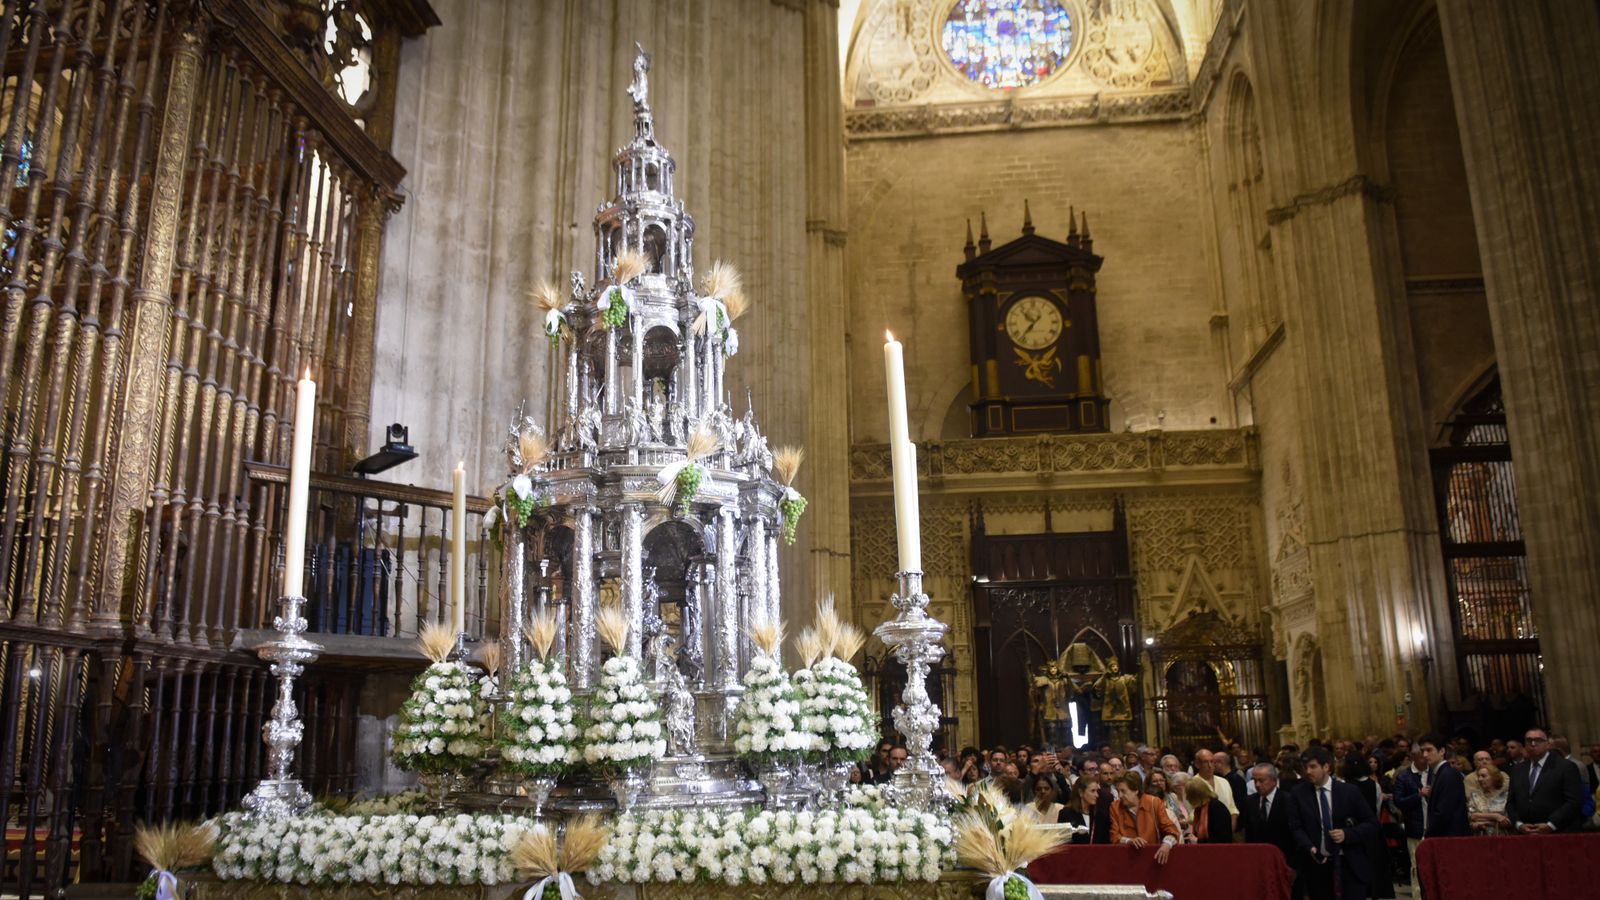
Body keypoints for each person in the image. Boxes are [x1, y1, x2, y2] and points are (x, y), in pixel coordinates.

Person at [1288, 746, 1378, 900]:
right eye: (1305, 767)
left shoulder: (1349, 791)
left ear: (1326, 767)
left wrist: (1347, 834)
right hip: (1318, 864)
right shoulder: (1298, 793)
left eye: (1313, 766)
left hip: (1349, 862)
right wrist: (1309, 847)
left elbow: (1371, 823)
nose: (1308, 771)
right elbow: (1296, 827)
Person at [1505, 727, 1587, 833]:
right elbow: (1511, 803)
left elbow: (1574, 801)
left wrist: (1551, 824)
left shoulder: (1565, 767)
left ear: (1547, 744)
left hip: (1559, 832)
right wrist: (1518, 824)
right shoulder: (1518, 769)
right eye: (1529, 740)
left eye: (1538, 740)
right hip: (1525, 833)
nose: (1533, 744)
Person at [1243, 762, 1304, 893]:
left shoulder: (1289, 801)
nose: (1257, 785)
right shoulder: (1249, 802)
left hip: (1285, 863)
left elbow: (1296, 836)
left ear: (1274, 781)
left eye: (1261, 780)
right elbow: (1249, 834)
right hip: (1260, 865)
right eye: (1255, 780)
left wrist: (1294, 867)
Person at [1110, 772, 1180, 864]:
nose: (1120, 795)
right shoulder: (1115, 806)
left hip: (1154, 858)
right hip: (1127, 860)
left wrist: (1166, 844)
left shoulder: (1154, 802)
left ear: (1136, 790)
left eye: (1123, 791)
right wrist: (1129, 841)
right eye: (1118, 791)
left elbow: (1171, 830)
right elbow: (1114, 836)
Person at [1417, 732, 1471, 837]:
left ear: (1442, 751)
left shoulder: (1448, 774)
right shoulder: (1441, 773)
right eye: (1422, 751)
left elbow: (1444, 812)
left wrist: (1428, 834)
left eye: (1429, 750)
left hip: (1450, 838)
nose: (1424, 755)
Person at [1193, 748, 1240, 830]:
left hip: (1227, 831)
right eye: (1205, 762)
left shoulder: (1224, 782)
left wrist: (1231, 829)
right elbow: (1191, 813)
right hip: (1204, 833)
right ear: (1197, 764)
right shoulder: (1192, 784)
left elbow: (1232, 809)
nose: (1210, 766)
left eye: (1212, 761)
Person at [1185, 775, 1234, 844]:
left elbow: (1222, 839)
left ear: (1196, 796)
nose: (1187, 798)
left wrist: (1198, 841)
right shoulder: (1199, 809)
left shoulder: (1216, 808)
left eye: (1188, 795)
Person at [1465, 763, 1510, 835]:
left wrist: (1482, 818)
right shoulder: (1475, 796)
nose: (1479, 779)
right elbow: (1472, 816)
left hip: (1503, 837)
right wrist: (1496, 816)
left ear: (1494, 777)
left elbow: (1507, 819)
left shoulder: (1506, 796)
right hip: (1481, 838)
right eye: (1478, 776)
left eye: (1483, 776)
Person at [1061, 776, 1102, 844]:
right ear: (1081, 792)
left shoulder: (1100, 815)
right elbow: (1063, 842)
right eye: (1093, 791)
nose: (1097, 795)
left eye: (1097, 791)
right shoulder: (1066, 814)